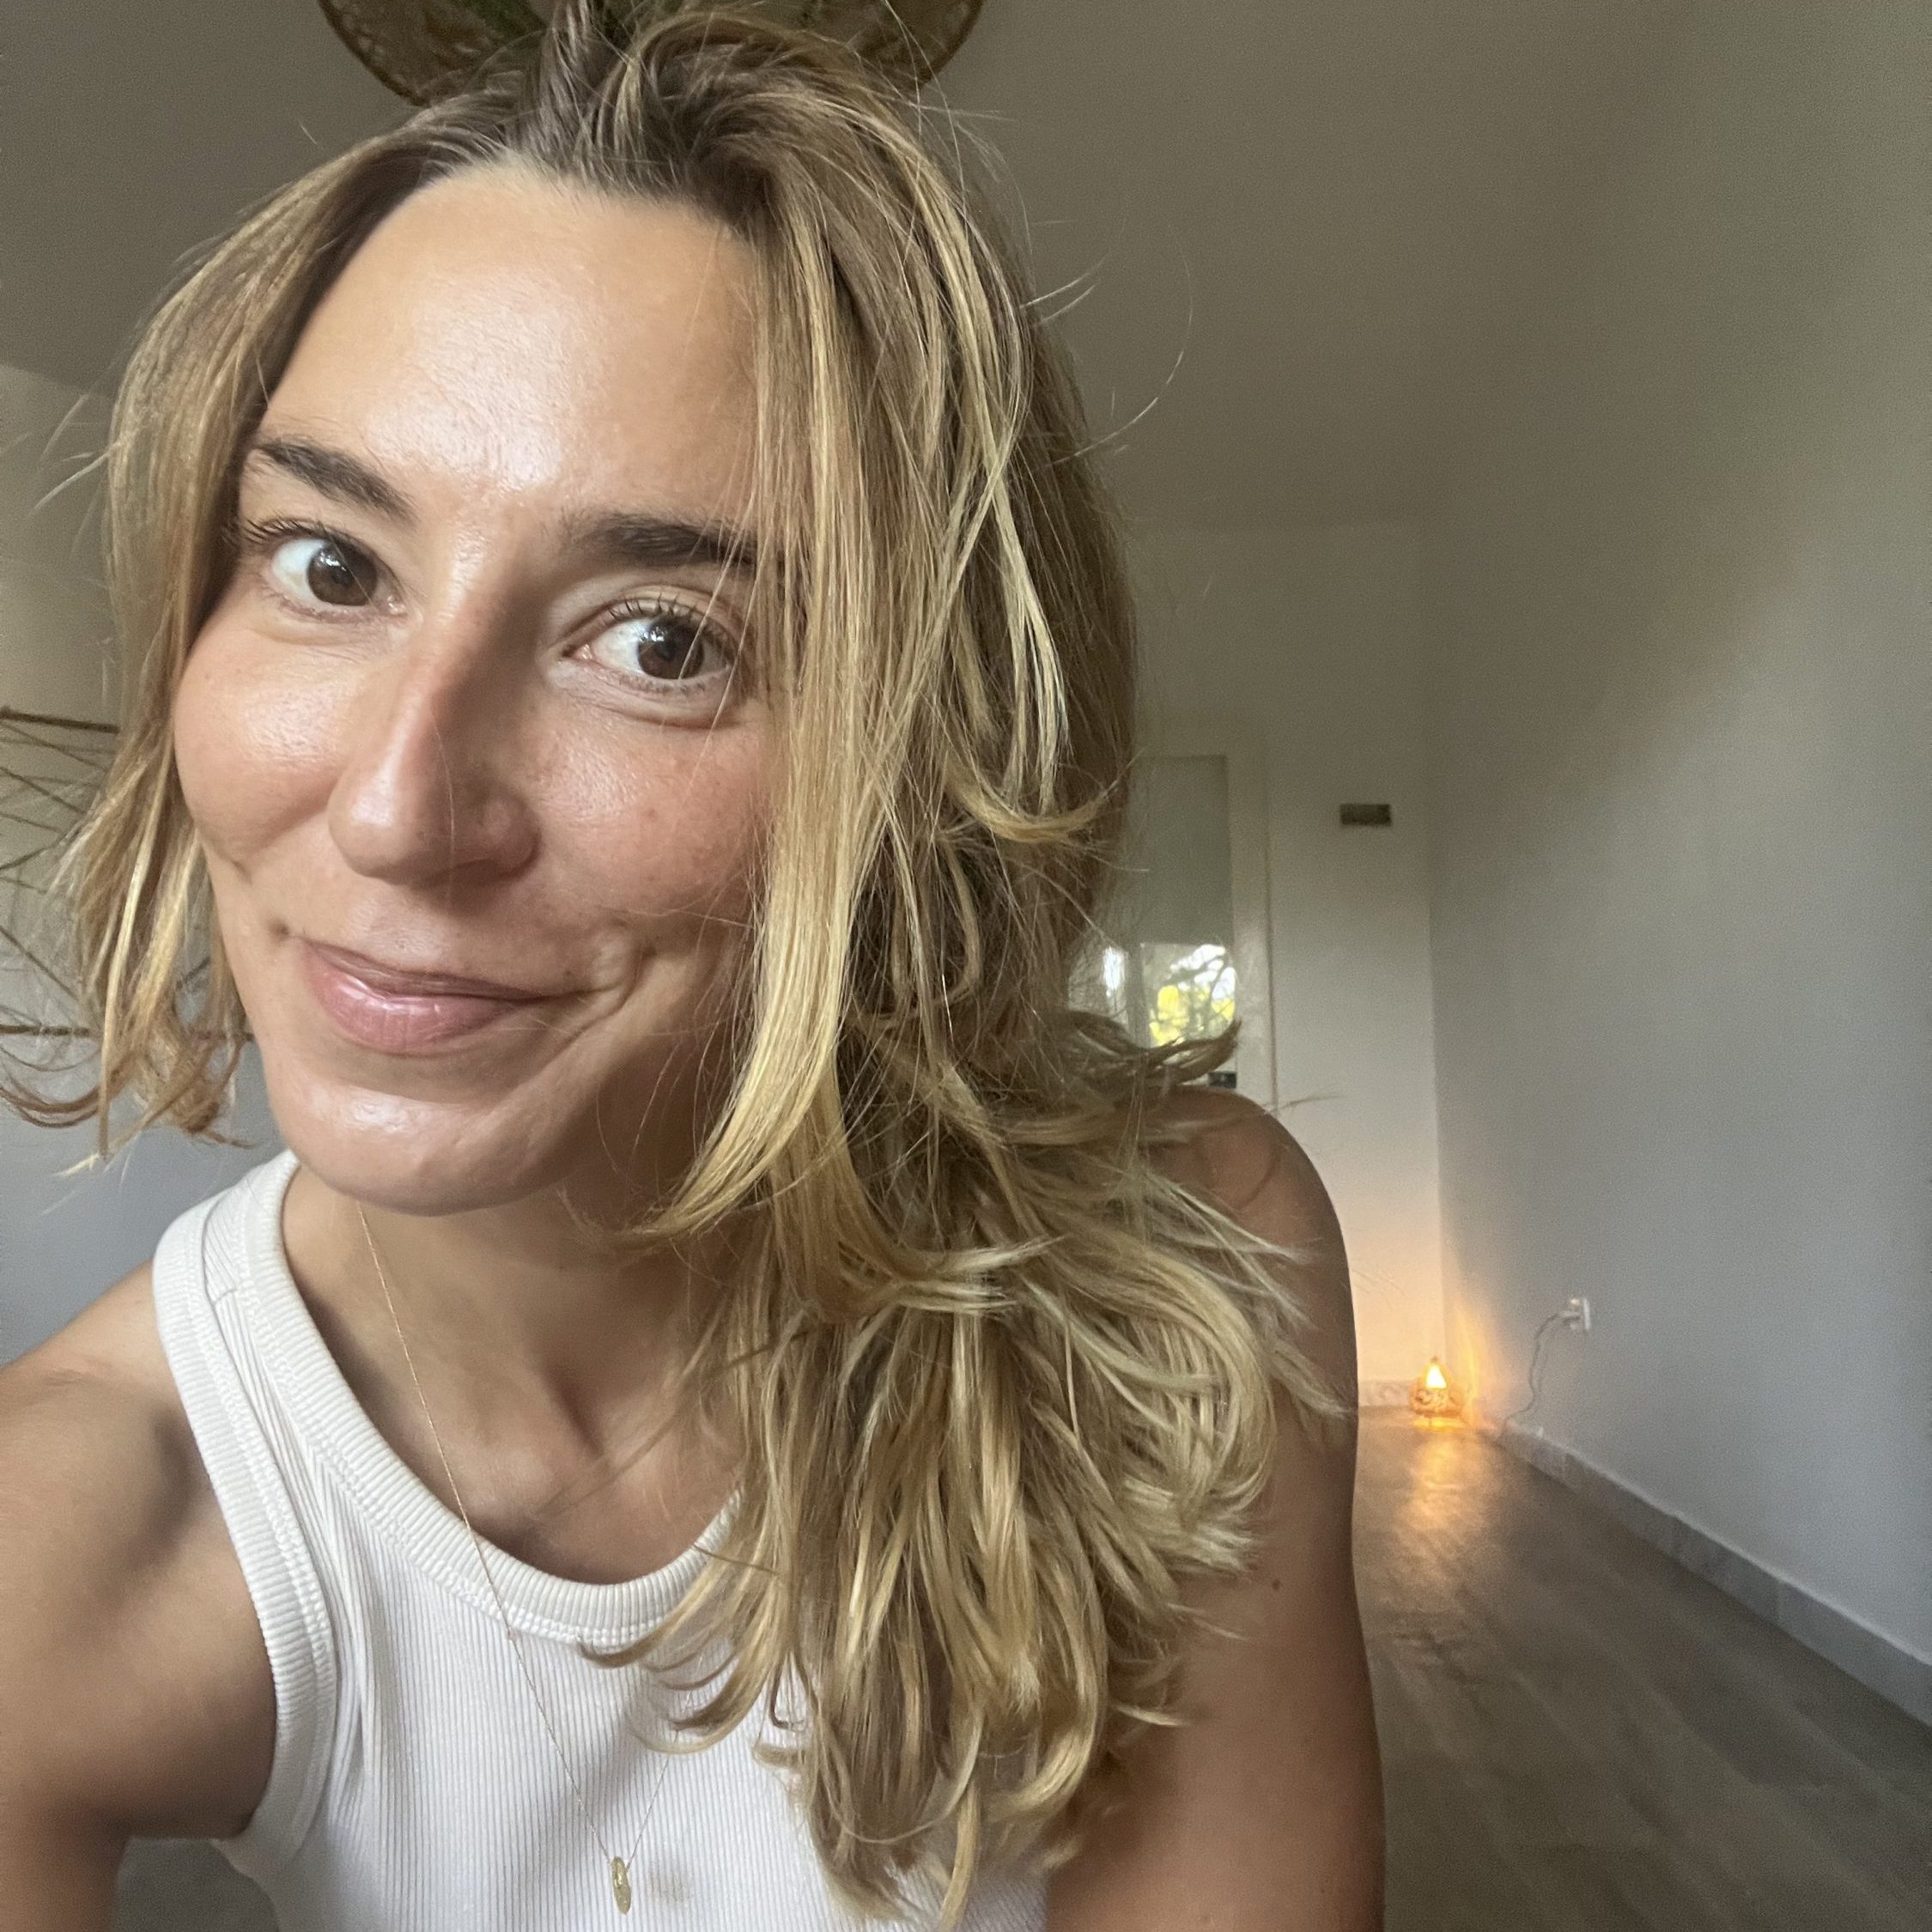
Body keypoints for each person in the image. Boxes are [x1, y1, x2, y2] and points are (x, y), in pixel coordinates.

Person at [0, 7, 1383, 1928]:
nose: (399, 810)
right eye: (330, 565)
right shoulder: (68, 1531)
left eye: (662, 641)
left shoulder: (1176, 1263)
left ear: (922, 762)